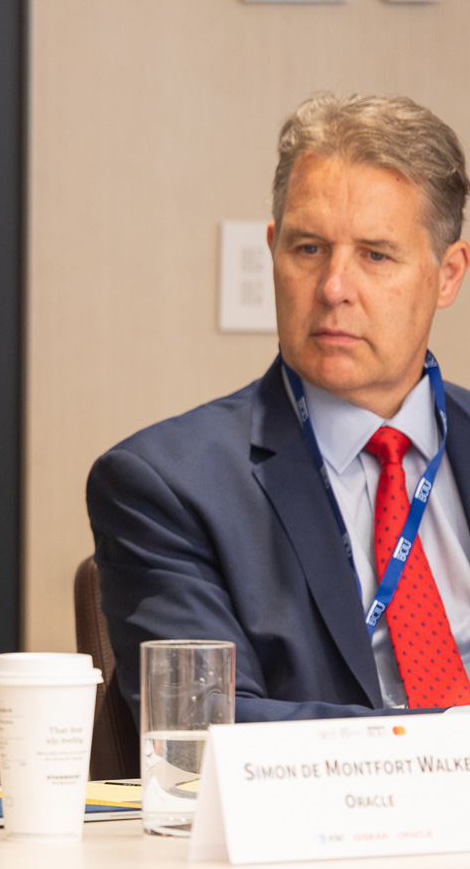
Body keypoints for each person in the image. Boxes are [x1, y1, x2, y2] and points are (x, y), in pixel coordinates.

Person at [90, 94, 470, 721]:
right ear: (273, 252)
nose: (334, 288)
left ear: (448, 274)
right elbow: (206, 728)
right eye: (309, 249)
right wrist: (443, 747)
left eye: (375, 255)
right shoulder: (166, 485)